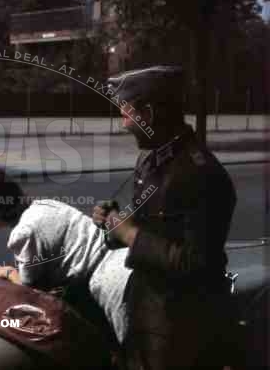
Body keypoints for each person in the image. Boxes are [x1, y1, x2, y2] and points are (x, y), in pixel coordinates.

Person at [92, 66, 237, 370]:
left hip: (183, 329)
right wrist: (113, 224)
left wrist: (130, 234)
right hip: (147, 310)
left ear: (149, 113)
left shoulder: (201, 173)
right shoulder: (152, 158)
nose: (123, 124)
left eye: (126, 112)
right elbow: (152, 222)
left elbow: (198, 263)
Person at [0, 167, 133, 345]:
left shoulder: (23, 232)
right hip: (128, 259)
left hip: (114, 284)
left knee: (138, 351)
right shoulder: (46, 205)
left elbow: (31, 293)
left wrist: (7, 272)